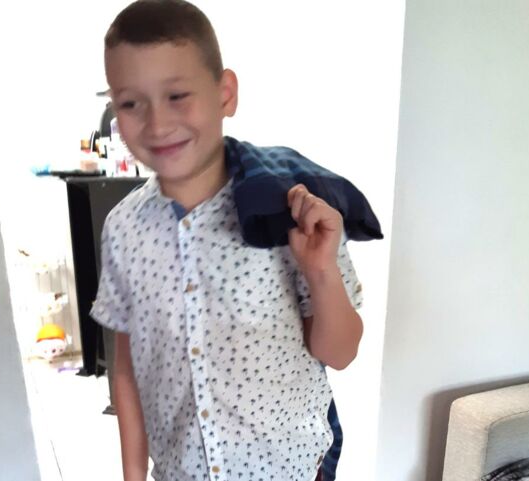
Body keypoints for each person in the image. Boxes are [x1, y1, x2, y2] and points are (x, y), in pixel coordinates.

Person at [91, 1, 367, 480]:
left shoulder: (288, 209)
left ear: (225, 94)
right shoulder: (123, 229)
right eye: (131, 103)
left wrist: (320, 270)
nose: (157, 124)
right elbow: (128, 369)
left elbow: (340, 353)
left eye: (177, 95)